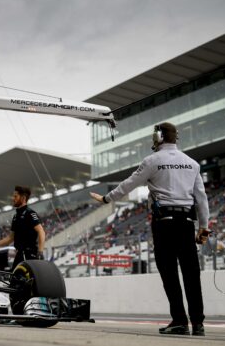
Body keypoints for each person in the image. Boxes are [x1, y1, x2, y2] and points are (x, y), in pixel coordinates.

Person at [90, 122, 210, 336]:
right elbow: (202, 198)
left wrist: (107, 198)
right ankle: (198, 323)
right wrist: (204, 227)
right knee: (192, 273)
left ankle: (180, 321)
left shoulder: (152, 161)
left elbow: (129, 183)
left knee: (170, 273)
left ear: (159, 137)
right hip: (186, 224)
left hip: (164, 223)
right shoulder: (192, 164)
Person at [0, 186, 46, 268]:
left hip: (29, 254)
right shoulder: (16, 216)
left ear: (23, 198)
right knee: (11, 275)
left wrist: (40, 252)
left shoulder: (30, 213)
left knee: (21, 279)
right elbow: (10, 238)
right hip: (19, 253)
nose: (13, 199)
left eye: (15, 196)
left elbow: (41, 231)